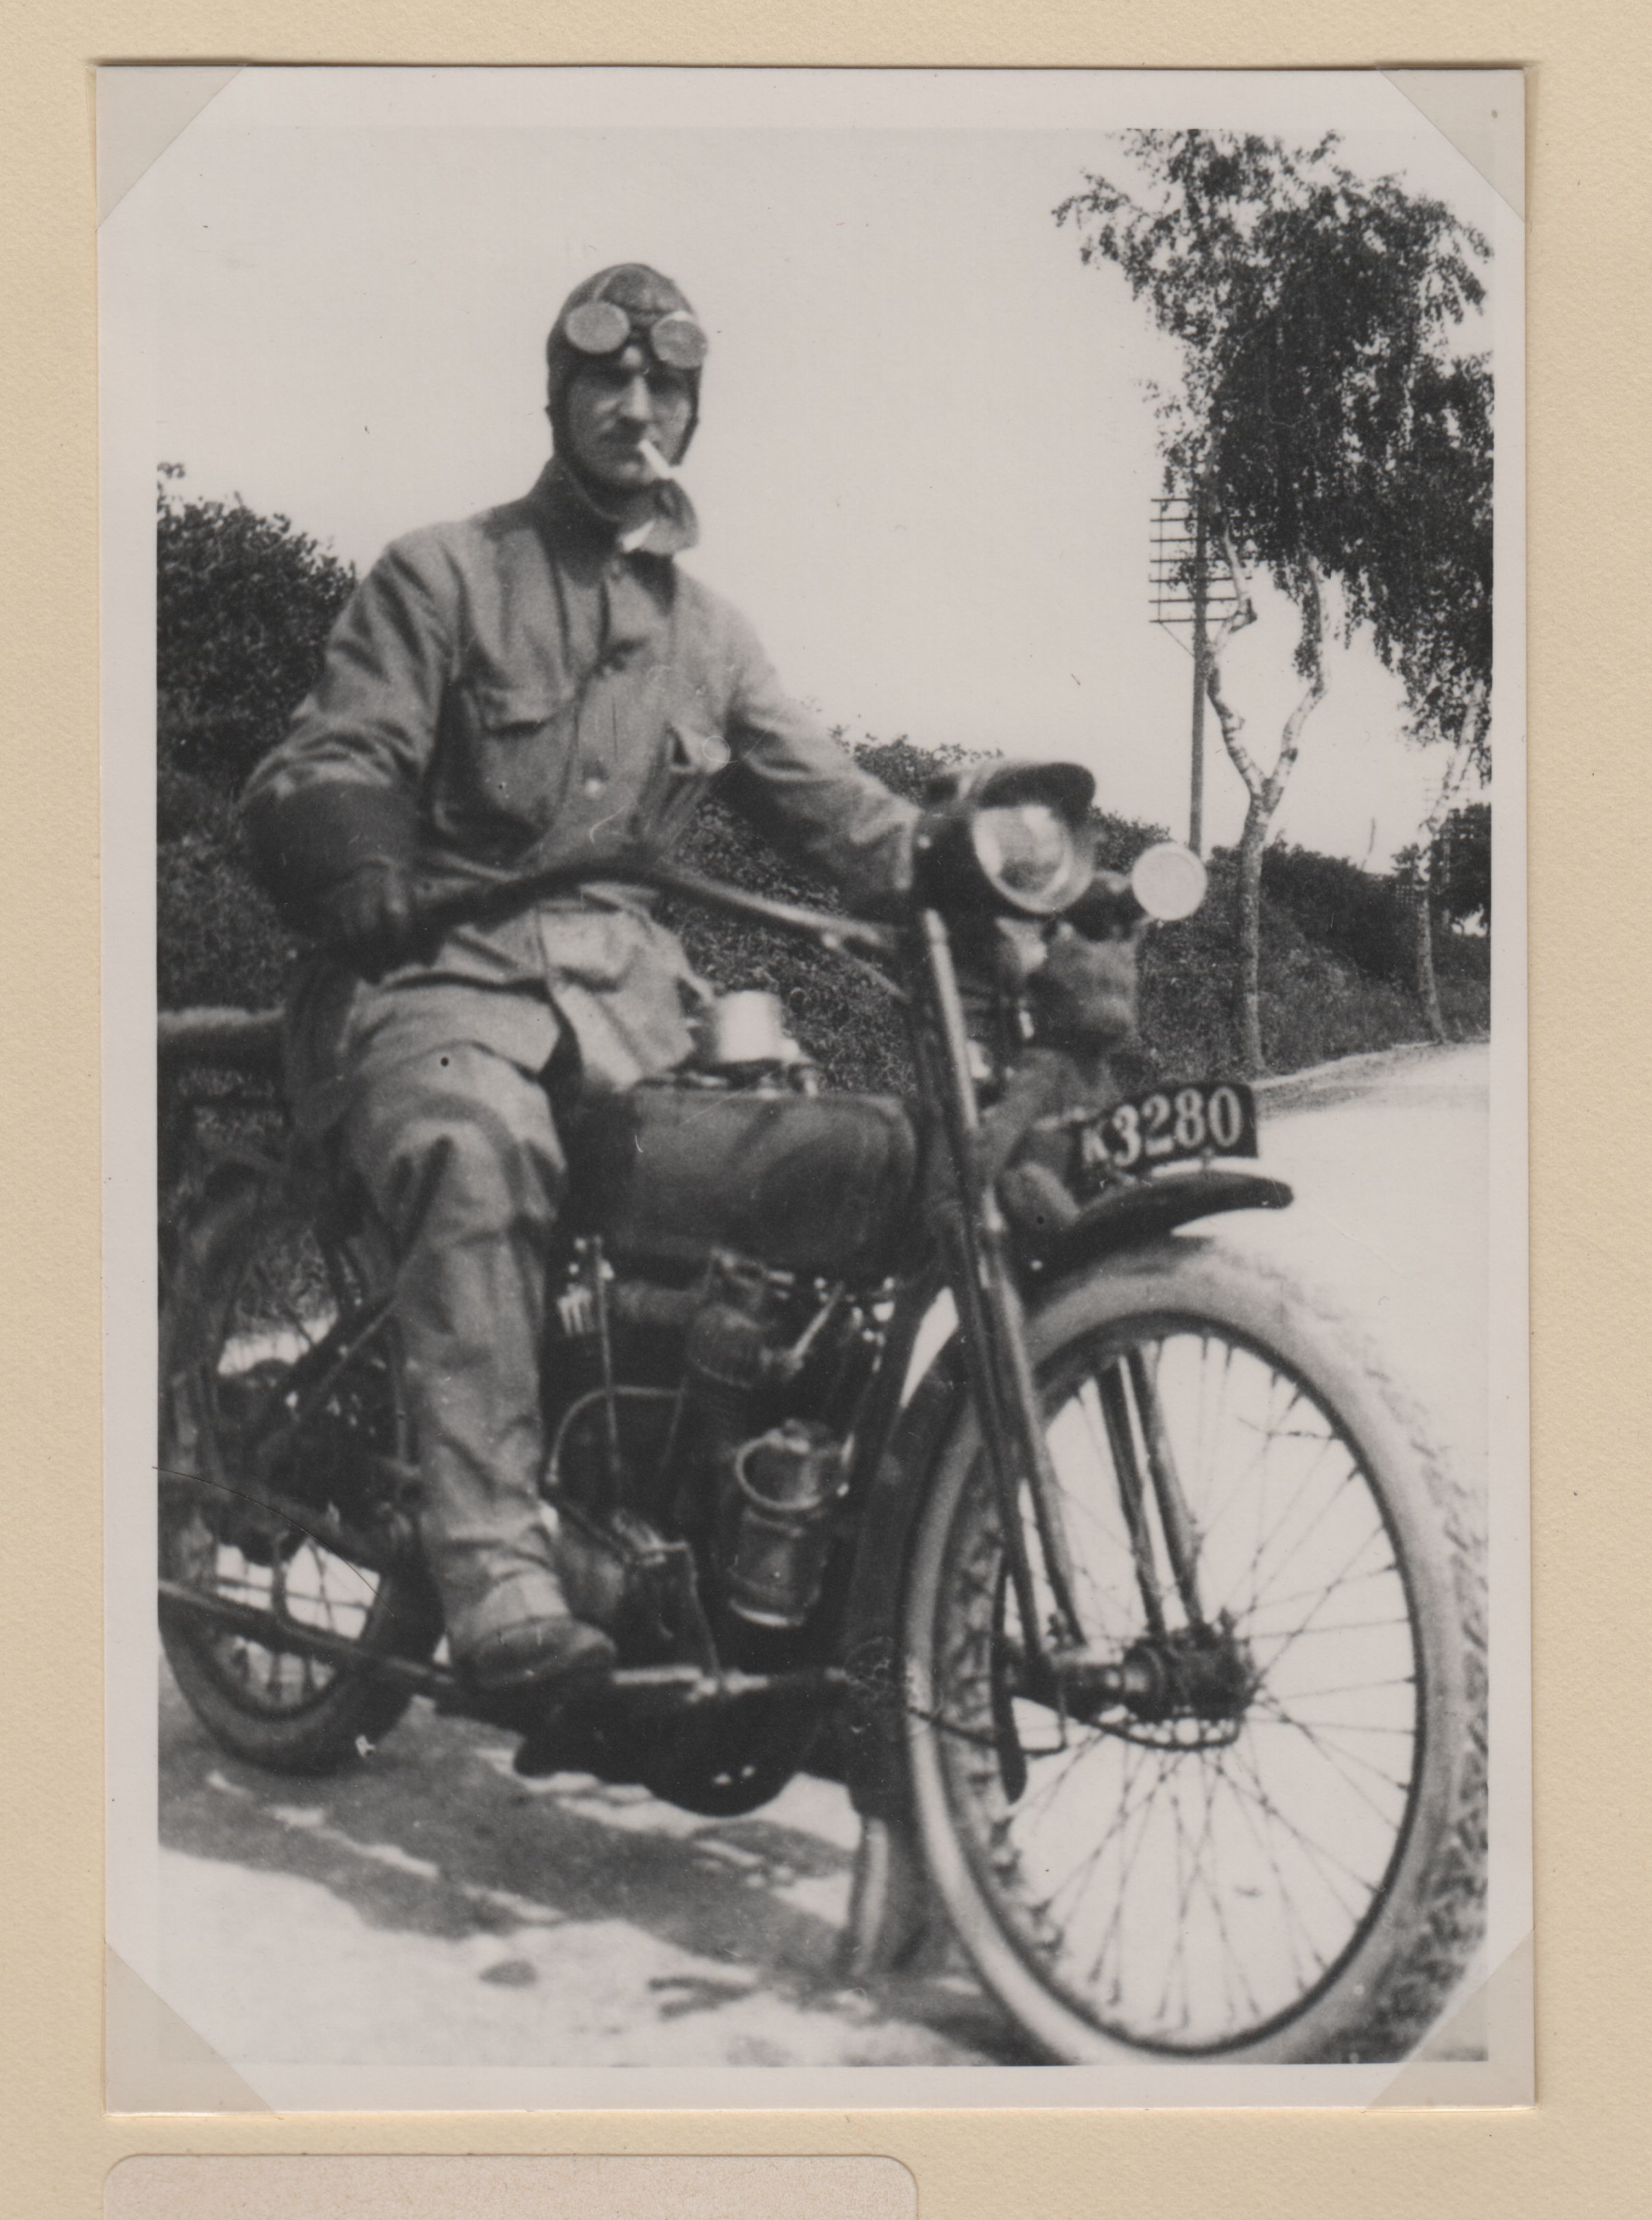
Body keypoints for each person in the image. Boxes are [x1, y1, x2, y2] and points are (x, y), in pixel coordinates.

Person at [243, 263, 916, 1697]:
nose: (635, 405)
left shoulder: (711, 637)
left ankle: (722, 1544)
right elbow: (334, 754)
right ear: (555, 398)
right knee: (476, 1148)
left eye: (665, 384)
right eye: (605, 377)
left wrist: (972, 867)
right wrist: (358, 857)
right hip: (435, 977)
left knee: (797, 1172)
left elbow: (842, 812)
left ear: (693, 412)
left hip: (629, 1012)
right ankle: (496, 1572)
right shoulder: (445, 573)